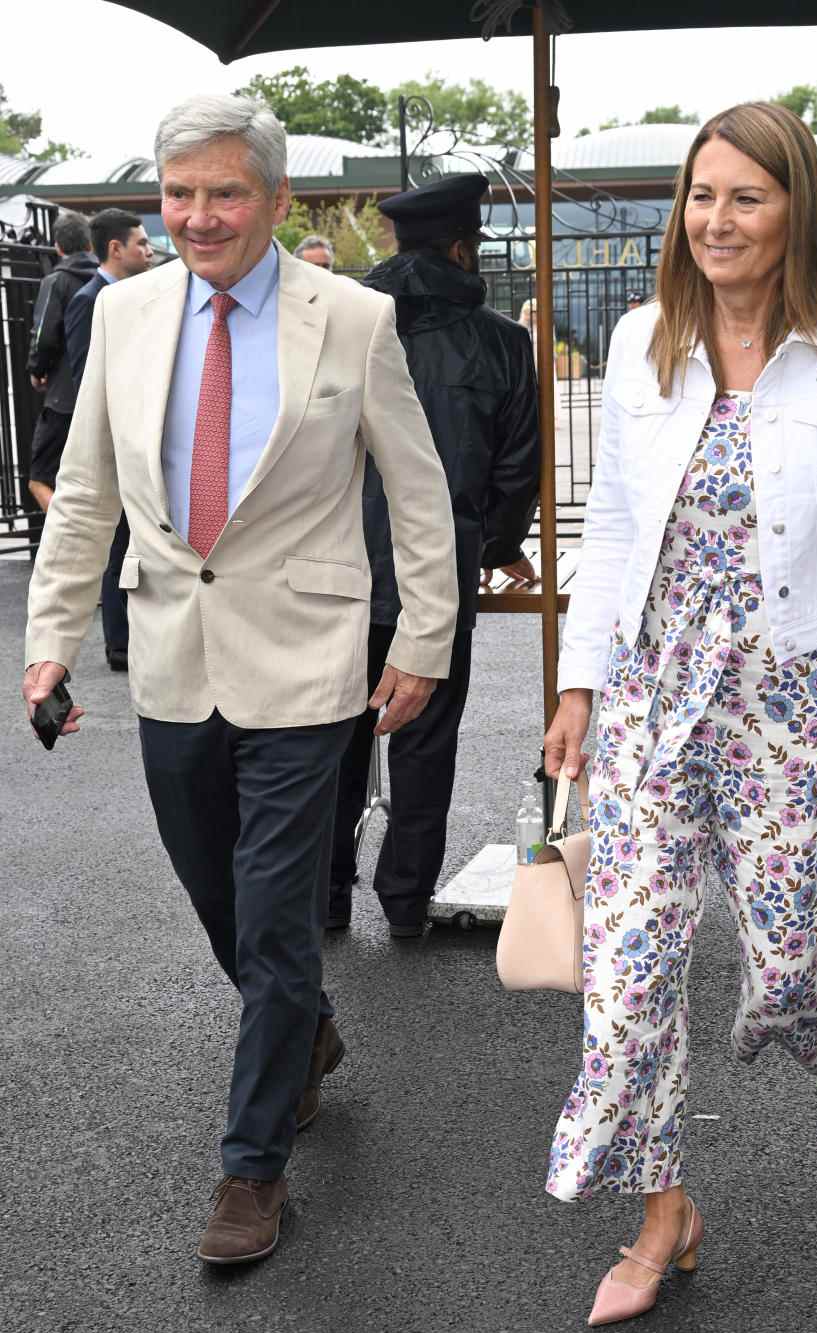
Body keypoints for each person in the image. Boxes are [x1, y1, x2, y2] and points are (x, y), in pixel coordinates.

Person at [23, 93, 458, 1266]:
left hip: (309, 665)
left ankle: (251, 1167)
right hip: (171, 656)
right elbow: (90, 493)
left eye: (224, 193)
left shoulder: (353, 319)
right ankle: (304, 1031)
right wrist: (50, 635)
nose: (200, 217)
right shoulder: (123, 313)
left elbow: (415, 492)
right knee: (217, 899)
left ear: (274, 200)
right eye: (179, 195)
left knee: (273, 917)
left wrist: (423, 637)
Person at [542, 102, 817, 1327]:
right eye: (702, 196)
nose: (716, 220)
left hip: (795, 698)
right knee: (631, 976)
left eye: (746, 197)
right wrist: (578, 683)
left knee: (783, 956)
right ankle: (663, 1215)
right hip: (657, 696)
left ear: (795, 208)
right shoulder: (647, 337)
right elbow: (608, 529)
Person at [328, 173, 540, 937]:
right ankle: (407, 900)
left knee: (333, 731)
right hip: (439, 567)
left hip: (336, 563)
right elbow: (517, 470)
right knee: (423, 737)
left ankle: (325, 897)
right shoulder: (503, 342)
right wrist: (499, 544)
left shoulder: (338, 326)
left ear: (392, 244)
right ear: (462, 247)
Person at [65, 208, 154, 671]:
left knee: (132, 541)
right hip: (115, 440)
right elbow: (87, 375)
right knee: (117, 544)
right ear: (115, 248)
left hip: (139, 436)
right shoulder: (90, 298)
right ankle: (119, 643)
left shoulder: (135, 297)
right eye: (141, 242)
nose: (150, 249)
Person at [25, 211, 97, 512]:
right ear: (91, 245)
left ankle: (65, 540)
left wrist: (36, 370)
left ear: (58, 247)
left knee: (40, 478)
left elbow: (44, 335)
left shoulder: (57, 281)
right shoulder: (107, 278)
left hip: (63, 399)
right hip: (101, 395)